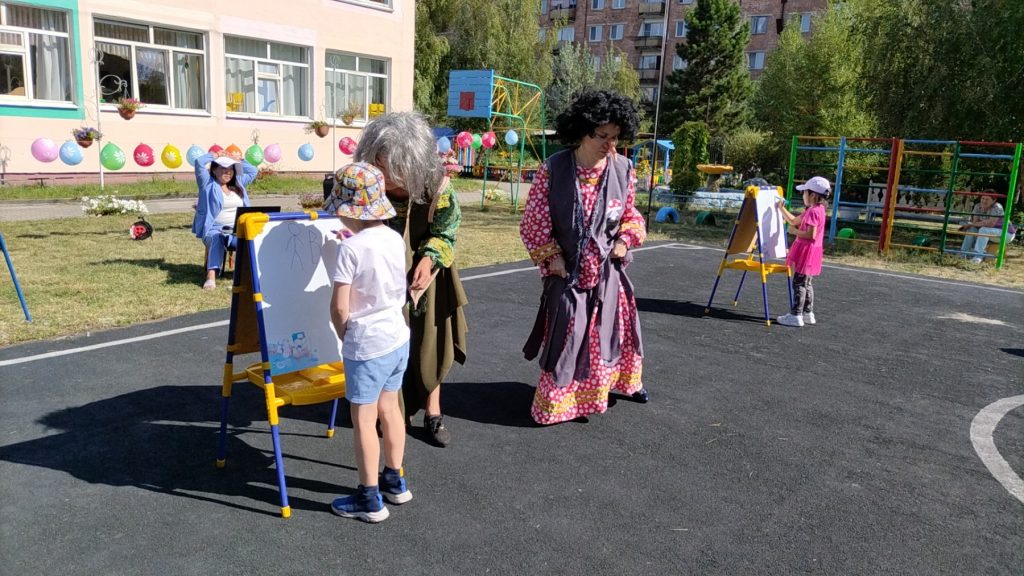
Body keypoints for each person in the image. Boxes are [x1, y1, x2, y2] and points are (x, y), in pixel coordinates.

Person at [519, 89, 649, 426]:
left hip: (608, 272)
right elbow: (534, 221)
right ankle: (560, 404)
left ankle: (614, 387)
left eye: (615, 137)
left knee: (610, 334)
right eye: (601, 135)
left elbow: (630, 214)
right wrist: (552, 257)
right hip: (568, 272)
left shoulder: (624, 169)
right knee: (568, 335)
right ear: (582, 131)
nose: (609, 144)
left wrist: (625, 240)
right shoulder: (554, 169)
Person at [353, 112, 468, 447]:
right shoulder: (367, 185)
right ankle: (389, 410)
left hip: (427, 277)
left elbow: (446, 232)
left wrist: (428, 259)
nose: (386, 176)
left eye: (393, 168)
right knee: (383, 343)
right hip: (380, 278)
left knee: (428, 343)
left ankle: (433, 411)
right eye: (379, 165)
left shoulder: (438, 187)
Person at [324, 162, 412, 523]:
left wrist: (344, 332)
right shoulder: (393, 237)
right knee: (390, 409)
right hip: (397, 335)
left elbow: (339, 307)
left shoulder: (350, 249)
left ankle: (369, 498)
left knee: (363, 419)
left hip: (367, 343)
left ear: (348, 210)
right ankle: (395, 480)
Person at [191, 151, 257, 290]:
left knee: (250, 240)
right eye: (223, 169)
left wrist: (239, 159)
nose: (228, 172)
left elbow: (253, 171)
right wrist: (214, 156)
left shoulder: (239, 183)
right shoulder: (207, 183)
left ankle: (248, 274)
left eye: (231, 169)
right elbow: (199, 163)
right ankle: (211, 277)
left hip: (236, 230)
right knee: (217, 238)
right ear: (214, 170)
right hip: (214, 229)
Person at [776, 176, 830, 328]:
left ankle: (796, 315)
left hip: (807, 251)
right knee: (806, 282)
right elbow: (794, 221)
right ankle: (807, 313)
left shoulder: (813, 212)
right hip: (812, 251)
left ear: (813, 195)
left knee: (799, 282)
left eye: (805, 192)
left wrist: (795, 232)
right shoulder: (816, 210)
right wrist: (781, 208)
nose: (803, 195)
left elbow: (811, 235)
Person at [959, 191, 1014, 264]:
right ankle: (962, 254)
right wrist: (971, 225)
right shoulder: (978, 206)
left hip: (1006, 233)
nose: (984, 201)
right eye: (983, 198)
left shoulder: (997, 207)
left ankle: (978, 257)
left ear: (994, 200)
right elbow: (975, 223)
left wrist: (972, 224)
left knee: (983, 229)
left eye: (987, 199)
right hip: (991, 232)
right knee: (972, 229)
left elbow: (991, 224)